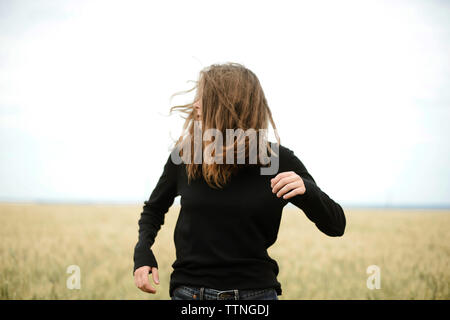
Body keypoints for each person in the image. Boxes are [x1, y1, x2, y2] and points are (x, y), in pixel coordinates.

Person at [133, 62, 346, 300]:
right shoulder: (186, 156)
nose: (195, 104)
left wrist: (308, 191)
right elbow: (153, 209)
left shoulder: (276, 160)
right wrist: (142, 253)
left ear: (228, 104)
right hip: (190, 295)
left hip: (256, 297)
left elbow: (336, 225)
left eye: (204, 97)